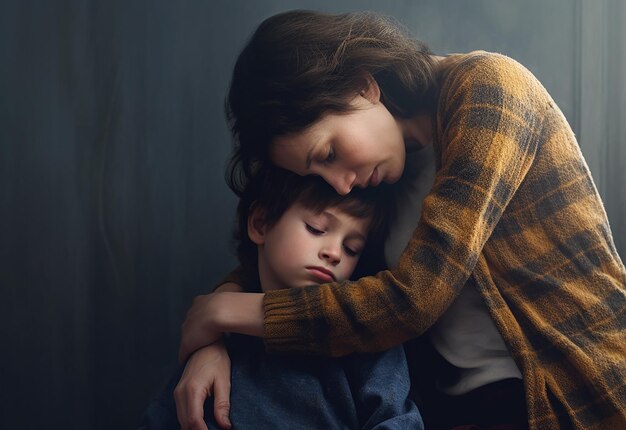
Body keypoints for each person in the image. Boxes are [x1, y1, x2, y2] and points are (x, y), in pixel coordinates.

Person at [176, 10, 626, 430]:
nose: (340, 185)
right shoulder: (379, 169)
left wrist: (227, 313)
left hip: (572, 395)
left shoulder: (488, 88)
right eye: (316, 174)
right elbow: (278, 249)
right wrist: (215, 341)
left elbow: (416, 298)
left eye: (329, 154)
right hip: (452, 406)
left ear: (362, 86)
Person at [140, 166, 422, 429]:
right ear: (261, 223)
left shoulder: (367, 339)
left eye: (351, 248)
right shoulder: (217, 349)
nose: (334, 253)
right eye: (316, 229)